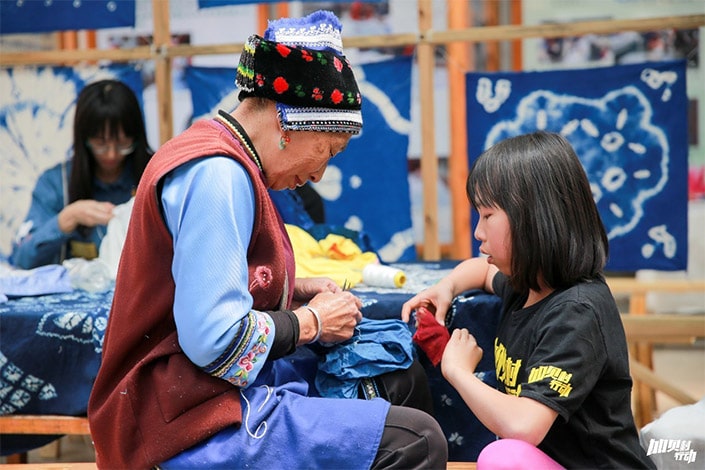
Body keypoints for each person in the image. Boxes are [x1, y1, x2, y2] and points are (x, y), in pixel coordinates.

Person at [88, 10, 447, 470]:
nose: (318, 173)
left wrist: (293, 289)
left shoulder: (222, 155)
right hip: (178, 424)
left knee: (392, 374)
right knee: (417, 441)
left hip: (195, 397)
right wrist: (312, 322)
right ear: (290, 122)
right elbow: (215, 340)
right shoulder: (217, 174)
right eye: (330, 151)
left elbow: (205, 285)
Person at [401, 131, 655, 469]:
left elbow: (524, 426)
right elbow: (479, 270)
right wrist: (446, 286)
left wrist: (457, 370)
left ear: (534, 218)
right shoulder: (527, 285)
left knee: (502, 456)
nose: (478, 232)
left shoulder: (576, 311)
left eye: (487, 216)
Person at [10, 79, 153, 269]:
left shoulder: (156, 176)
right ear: (84, 139)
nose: (111, 154)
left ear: (136, 137)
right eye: (101, 144)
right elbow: (22, 260)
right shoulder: (56, 183)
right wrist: (66, 219)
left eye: (123, 143)